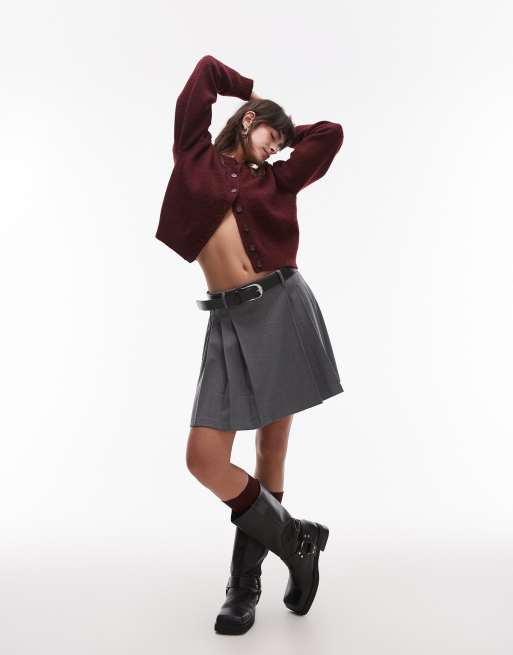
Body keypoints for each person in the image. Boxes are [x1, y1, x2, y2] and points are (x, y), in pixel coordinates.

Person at [155, 54, 345, 635]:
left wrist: (286, 131)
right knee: (204, 458)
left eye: (281, 143)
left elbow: (331, 135)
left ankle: (244, 586)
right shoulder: (194, 157)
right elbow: (204, 74)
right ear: (247, 121)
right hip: (227, 322)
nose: (275, 147)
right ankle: (297, 540)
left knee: (271, 450)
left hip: (282, 308)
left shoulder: (277, 179)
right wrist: (256, 95)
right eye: (269, 135)